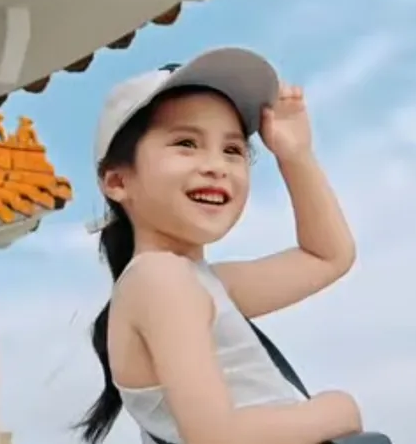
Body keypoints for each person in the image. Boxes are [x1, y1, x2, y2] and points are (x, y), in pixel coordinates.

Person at [77, 48, 362, 444]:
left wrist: (295, 155)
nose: (216, 165)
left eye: (232, 150)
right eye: (186, 143)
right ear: (117, 182)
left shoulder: (195, 282)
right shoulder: (160, 279)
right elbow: (215, 437)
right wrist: (337, 409)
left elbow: (328, 256)